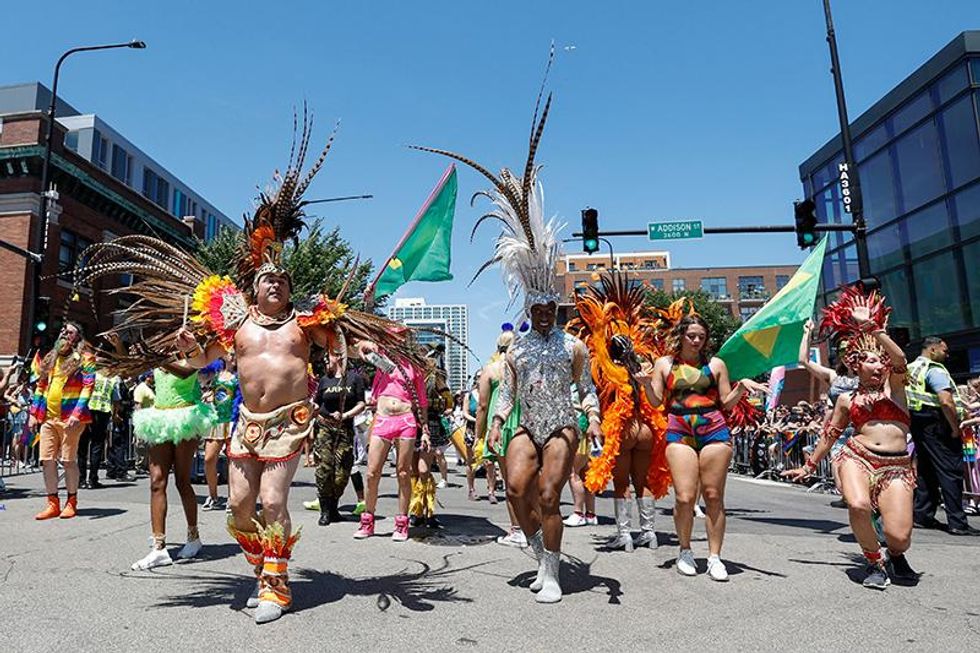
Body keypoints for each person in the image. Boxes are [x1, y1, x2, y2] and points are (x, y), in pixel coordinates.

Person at [74, 117, 424, 624]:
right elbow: (198, 362)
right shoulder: (233, 325)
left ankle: (276, 587)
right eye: (269, 281)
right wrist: (186, 349)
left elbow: (351, 341)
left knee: (272, 499)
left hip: (290, 422)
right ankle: (263, 564)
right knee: (240, 506)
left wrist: (381, 346)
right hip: (245, 425)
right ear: (255, 287)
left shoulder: (306, 324)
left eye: (283, 281)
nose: (277, 286)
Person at [417, 83, 602, 603]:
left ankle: (553, 569)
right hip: (523, 422)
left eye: (550, 308)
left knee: (548, 493)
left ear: (557, 310)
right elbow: (510, 391)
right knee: (519, 490)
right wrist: (493, 426)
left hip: (562, 424)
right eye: (536, 308)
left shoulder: (574, 347)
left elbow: (586, 390)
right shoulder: (515, 348)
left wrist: (593, 423)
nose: (543, 313)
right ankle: (541, 548)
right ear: (529, 310)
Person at [784, 286, 919, 588]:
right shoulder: (846, 399)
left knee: (899, 537)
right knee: (857, 505)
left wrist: (873, 328)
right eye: (870, 360)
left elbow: (899, 359)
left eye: (880, 361)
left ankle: (895, 555)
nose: (879, 366)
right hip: (858, 457)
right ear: (856, 365)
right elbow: (830, 435)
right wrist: (809, 466)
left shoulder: (894, 389)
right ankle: (874, 562)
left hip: (897, 465)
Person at [636, 309, 767, 582]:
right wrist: (646, 385)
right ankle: (684, 550)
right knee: (684, 497)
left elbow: (726, 403)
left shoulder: (716, 365)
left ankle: (714, 557)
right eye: (691, 336)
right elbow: (656, 402)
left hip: (714, 430)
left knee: (713, 495)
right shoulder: (664, 364)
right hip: (678, 429)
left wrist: (740, 387)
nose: (696, 341)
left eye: (701, 337)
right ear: (681, 336)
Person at [565, 272, 671, 552]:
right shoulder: (642, 369)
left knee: (622, 483)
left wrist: (599, 329)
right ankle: (649, 532)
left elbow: (592, 381)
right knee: (643, 482)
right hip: (646, 429)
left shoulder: (608, 371)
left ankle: (625, 535)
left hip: (622, 431)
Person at [130, 362, 217, 570]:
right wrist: (118, 347)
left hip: (185, 416)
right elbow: (133, 367)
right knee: (156, 482)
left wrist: (158, 360)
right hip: (160, 416)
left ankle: (193, 536)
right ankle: (159, 548)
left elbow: (188, 371)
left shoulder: (190, 352)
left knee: (182, 480)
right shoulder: (158, 354)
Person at [907, 337, 978, 535]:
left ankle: (922, 515)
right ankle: (957, 522)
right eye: (944, 351)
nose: (947, 355)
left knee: (927, 471)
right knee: (951, 472)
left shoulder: (911, 369)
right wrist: (955, 428)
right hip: (938, 424)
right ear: (932, 349)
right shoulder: (935, 370)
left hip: (920, 423)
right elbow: (945, 401)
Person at [354, 354, 428, 540]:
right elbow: (359, 350)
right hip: (382, 418)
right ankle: (367, 521)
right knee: (372, 473)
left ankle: (402, 522)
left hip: (406, 420)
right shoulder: (381, 361)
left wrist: (425, 430)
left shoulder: (415, 367)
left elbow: (422, 401)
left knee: (404, 472)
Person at [29, 322, 96, 521]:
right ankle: (52, 503)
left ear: (78, 337)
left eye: (70, 332)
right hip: (49, 418)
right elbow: (41, 386)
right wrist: (34, 413)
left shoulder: (86, 358)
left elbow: (88, 386)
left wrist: (77, 413)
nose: (64, 334)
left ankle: (71, 502)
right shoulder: (51, 357)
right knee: (47, 460)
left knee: (68, 460)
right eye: (63, 331)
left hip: (71, 419)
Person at [799, 320, 858, 507]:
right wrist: (808, 333)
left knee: (860, 490)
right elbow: (804, 361)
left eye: (852, 351)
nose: (849, 356)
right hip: (839, 434)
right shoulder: (834, 377)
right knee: (841, 483)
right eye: (843, 352)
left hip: (862, 434)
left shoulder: (871, 375)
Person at [477, 327, 527, 547]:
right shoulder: (524, 367)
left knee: (510, 483)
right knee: (529, 482)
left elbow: (483, 405)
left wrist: (479, 434)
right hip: (525, 425)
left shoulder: (490, 370)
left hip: (501, 426)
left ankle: (516, 530)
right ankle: (532, 528)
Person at [312, 349, 366, 526]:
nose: (337, 357)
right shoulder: (325, 380)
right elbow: (317, 402)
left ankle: (334, 507)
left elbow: (361, 403)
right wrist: (316, 411)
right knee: (325, 468)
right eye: (334, 354)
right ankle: (325, 510)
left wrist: (346, 414)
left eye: (340, 354)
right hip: (325, 428)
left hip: (345, 428)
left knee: (343, 471)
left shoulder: (354, 379)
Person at [202, 357, 238, 510]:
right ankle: (213, 495)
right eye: (230, 353)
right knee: (209, 458)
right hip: (216, 421)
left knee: (233, 462)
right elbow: (199, 374)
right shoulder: (215, 373)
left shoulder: (240, 375)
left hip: (233, 421)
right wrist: (208, 394)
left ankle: (232, 497)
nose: (233, 356)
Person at [78, 366, 119, 490]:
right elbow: (116, 399)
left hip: (86, 409)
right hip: (103, 411)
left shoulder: (89, 373)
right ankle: (93, 479)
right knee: (97, 445)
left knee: (82, 445)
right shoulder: (113, 378)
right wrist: (115, 414)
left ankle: (81, 479)